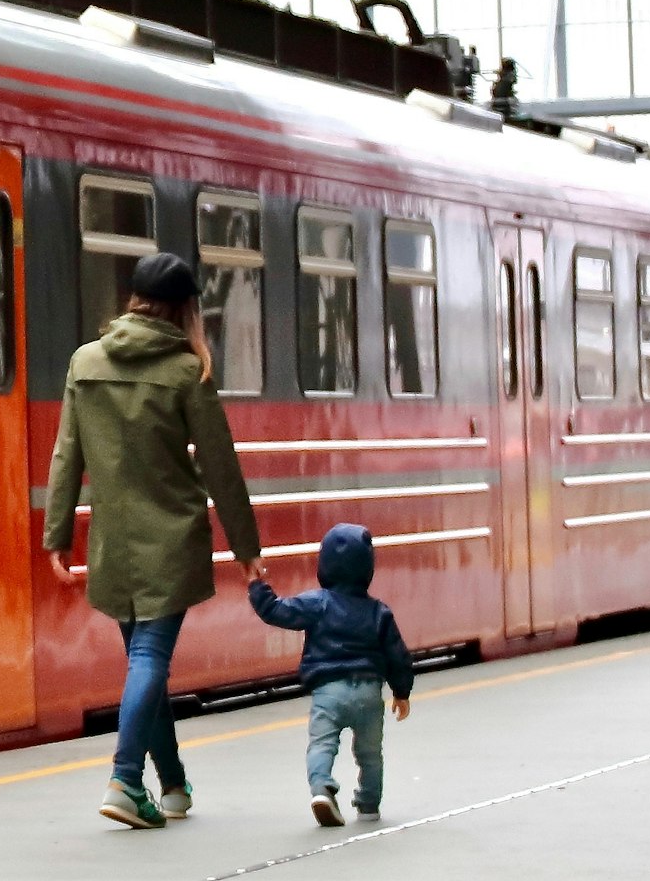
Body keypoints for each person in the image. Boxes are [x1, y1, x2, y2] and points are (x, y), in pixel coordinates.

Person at [42, 249, 264, 829]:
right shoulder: (187, 370)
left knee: (147, 662)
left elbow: (68, 453)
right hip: (170, 540)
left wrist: (57, 535)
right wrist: (247, 549)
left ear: (133, 301)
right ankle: (123, 778)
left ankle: (170, 785)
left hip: (112, 543)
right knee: (149, 659)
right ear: (186, 310)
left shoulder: (84, 363)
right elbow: (220, 465)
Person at [245, 522, 414, 824]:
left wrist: (258, 587)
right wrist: (402, 692)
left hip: (329, 692)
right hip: (368, 692)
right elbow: (397, 655)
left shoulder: (317, 603)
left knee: (322, 744)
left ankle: (322, 786)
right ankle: (369, 805)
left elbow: (276, 611)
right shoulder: (379, 612)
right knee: (370, 754)